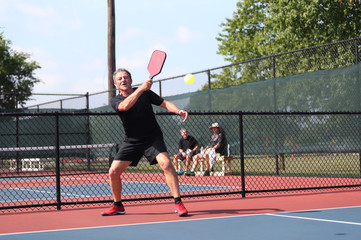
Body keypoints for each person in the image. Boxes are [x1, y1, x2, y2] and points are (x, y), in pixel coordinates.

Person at [101, 68, 189, 217]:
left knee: (166, 164)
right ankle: (117, 206)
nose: (123, 80)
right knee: (113, 172)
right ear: (116, 84)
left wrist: (178, 111)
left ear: (131, 80)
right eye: (120, 79)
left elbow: (164, 103)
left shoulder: (146, 94)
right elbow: (125, 106)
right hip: (132, 141)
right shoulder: (116, 100)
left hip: (152, 138)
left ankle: (178, 203)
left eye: (126, 77)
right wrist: (140, 89)